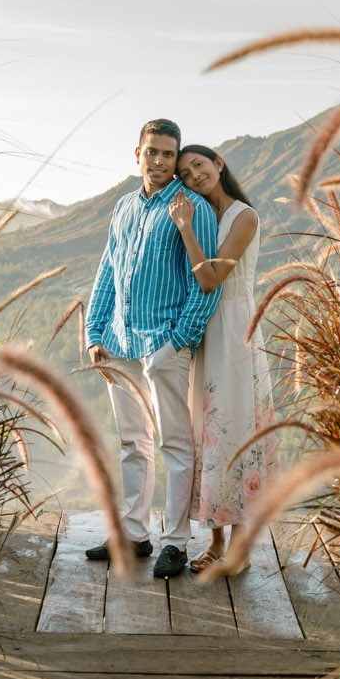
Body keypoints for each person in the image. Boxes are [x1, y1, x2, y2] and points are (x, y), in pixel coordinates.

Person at [83, 118, 221, 580]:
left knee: (175, 443)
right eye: (151, 152)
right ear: (136, 153)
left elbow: (207, 281)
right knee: (131, 442)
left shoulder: (192, 207)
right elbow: (108, 271)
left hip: (163, 343)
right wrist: (94, 333)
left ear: (174, 157)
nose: (159, 160)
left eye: (167, 153)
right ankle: (134, 534)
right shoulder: (123, 207)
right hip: (120, 343)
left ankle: (176, 543)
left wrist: (180, 339)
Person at [170, 143, 275, 574]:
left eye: (198, 164)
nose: (194, 175)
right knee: (208, 433)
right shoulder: (203, 213)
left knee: (236, 430)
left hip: (235, 331)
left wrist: (185, 229)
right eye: (185, 173)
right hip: (205, 332)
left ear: (218, 163)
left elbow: (212, 278)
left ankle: (242, 550)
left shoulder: (243, 216)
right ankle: (214, 542)